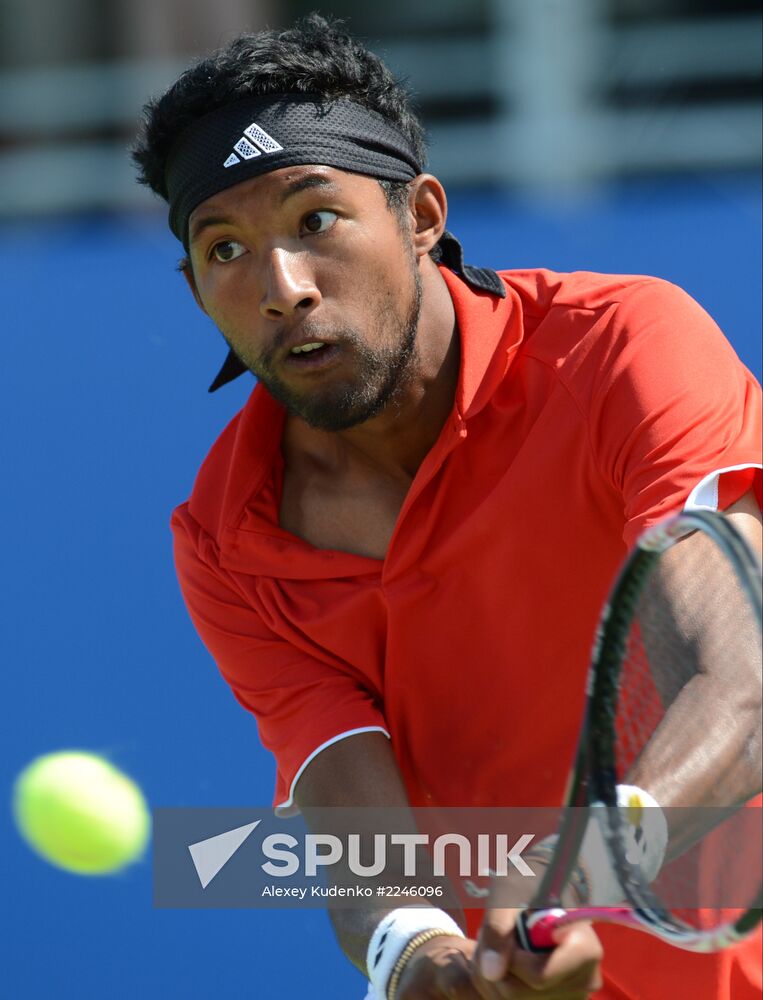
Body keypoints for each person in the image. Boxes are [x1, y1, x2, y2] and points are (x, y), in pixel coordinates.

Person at [132, 14, 762, 999]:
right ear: (194, 288)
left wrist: (580, 871)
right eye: (225, 249)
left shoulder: (624, 351)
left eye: (316, 221)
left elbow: (738, 681)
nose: (282, 286)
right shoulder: (226, 540)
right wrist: (418, 957)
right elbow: (359, 831)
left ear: (422, 216)